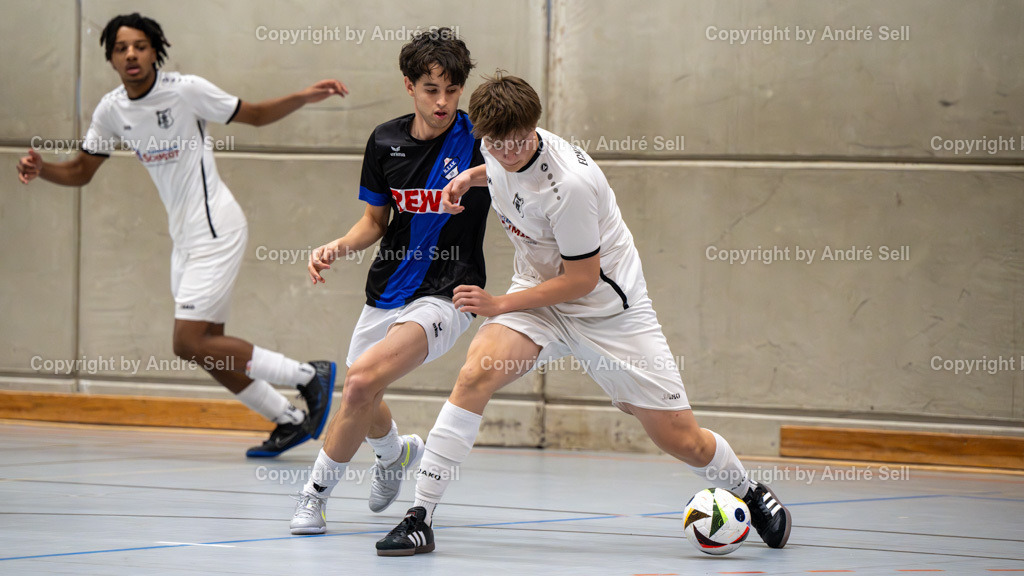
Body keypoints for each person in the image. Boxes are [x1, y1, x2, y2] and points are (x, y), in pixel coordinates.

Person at [376, 73, 792, 556]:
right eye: (495, 143)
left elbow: (582, 280)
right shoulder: (491, 144)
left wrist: (496, 306)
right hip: (539, 294)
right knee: (474, 374)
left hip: (607, 313)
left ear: (535, 127)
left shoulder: (569, 186)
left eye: (517, 141)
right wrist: (469, 177)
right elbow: (500, 170)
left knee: (681, 439)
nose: (506, 152)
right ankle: (420, 516)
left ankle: (748, 489)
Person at [15, 13, 344, 458]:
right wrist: (42, 171)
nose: (131, 54)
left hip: (216, 228)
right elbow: (81, 170)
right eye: (120, 48)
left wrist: (305, 95)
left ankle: (308, 375)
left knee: (186, 342)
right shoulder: (111, 109)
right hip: (184, 240)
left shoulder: (185, 90)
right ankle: (287, 420)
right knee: (208, 349)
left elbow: (256, 114)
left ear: (155, 52)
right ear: (111, 58)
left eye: (140, 46)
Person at [288, 28, 491, 535]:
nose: (442, 102)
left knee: (358, 381)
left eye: (451, 90)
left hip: (450, 291)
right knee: (364, 393)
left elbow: (530, 168)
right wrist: (336, 246)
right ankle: (395, 454)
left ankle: (313, 497)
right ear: (409, 85)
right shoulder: (384, 141)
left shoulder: (481, 140)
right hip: (386, 290)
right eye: (430, 89)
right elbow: (374, 223)